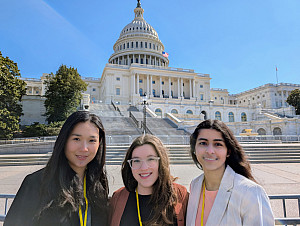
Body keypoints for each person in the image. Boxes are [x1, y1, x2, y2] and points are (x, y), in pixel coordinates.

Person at [4, 111, 109, 226]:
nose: (84, 148)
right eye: (76, 139)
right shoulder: (36, 183)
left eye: (92, 140)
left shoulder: (98, 185)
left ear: (99, 144)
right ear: (64, 140)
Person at [186, 119, 274, 226]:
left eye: (218, 144)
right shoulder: (195, 186)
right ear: (194, 148)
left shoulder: (250, 192)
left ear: (228, 152)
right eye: (203, 143)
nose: (210, 151)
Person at [109, 134, 189, 226]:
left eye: (150, 159)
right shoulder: (118, 198)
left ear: (161, 161)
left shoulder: (180, 195)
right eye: (136, 161)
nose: (144, 168)